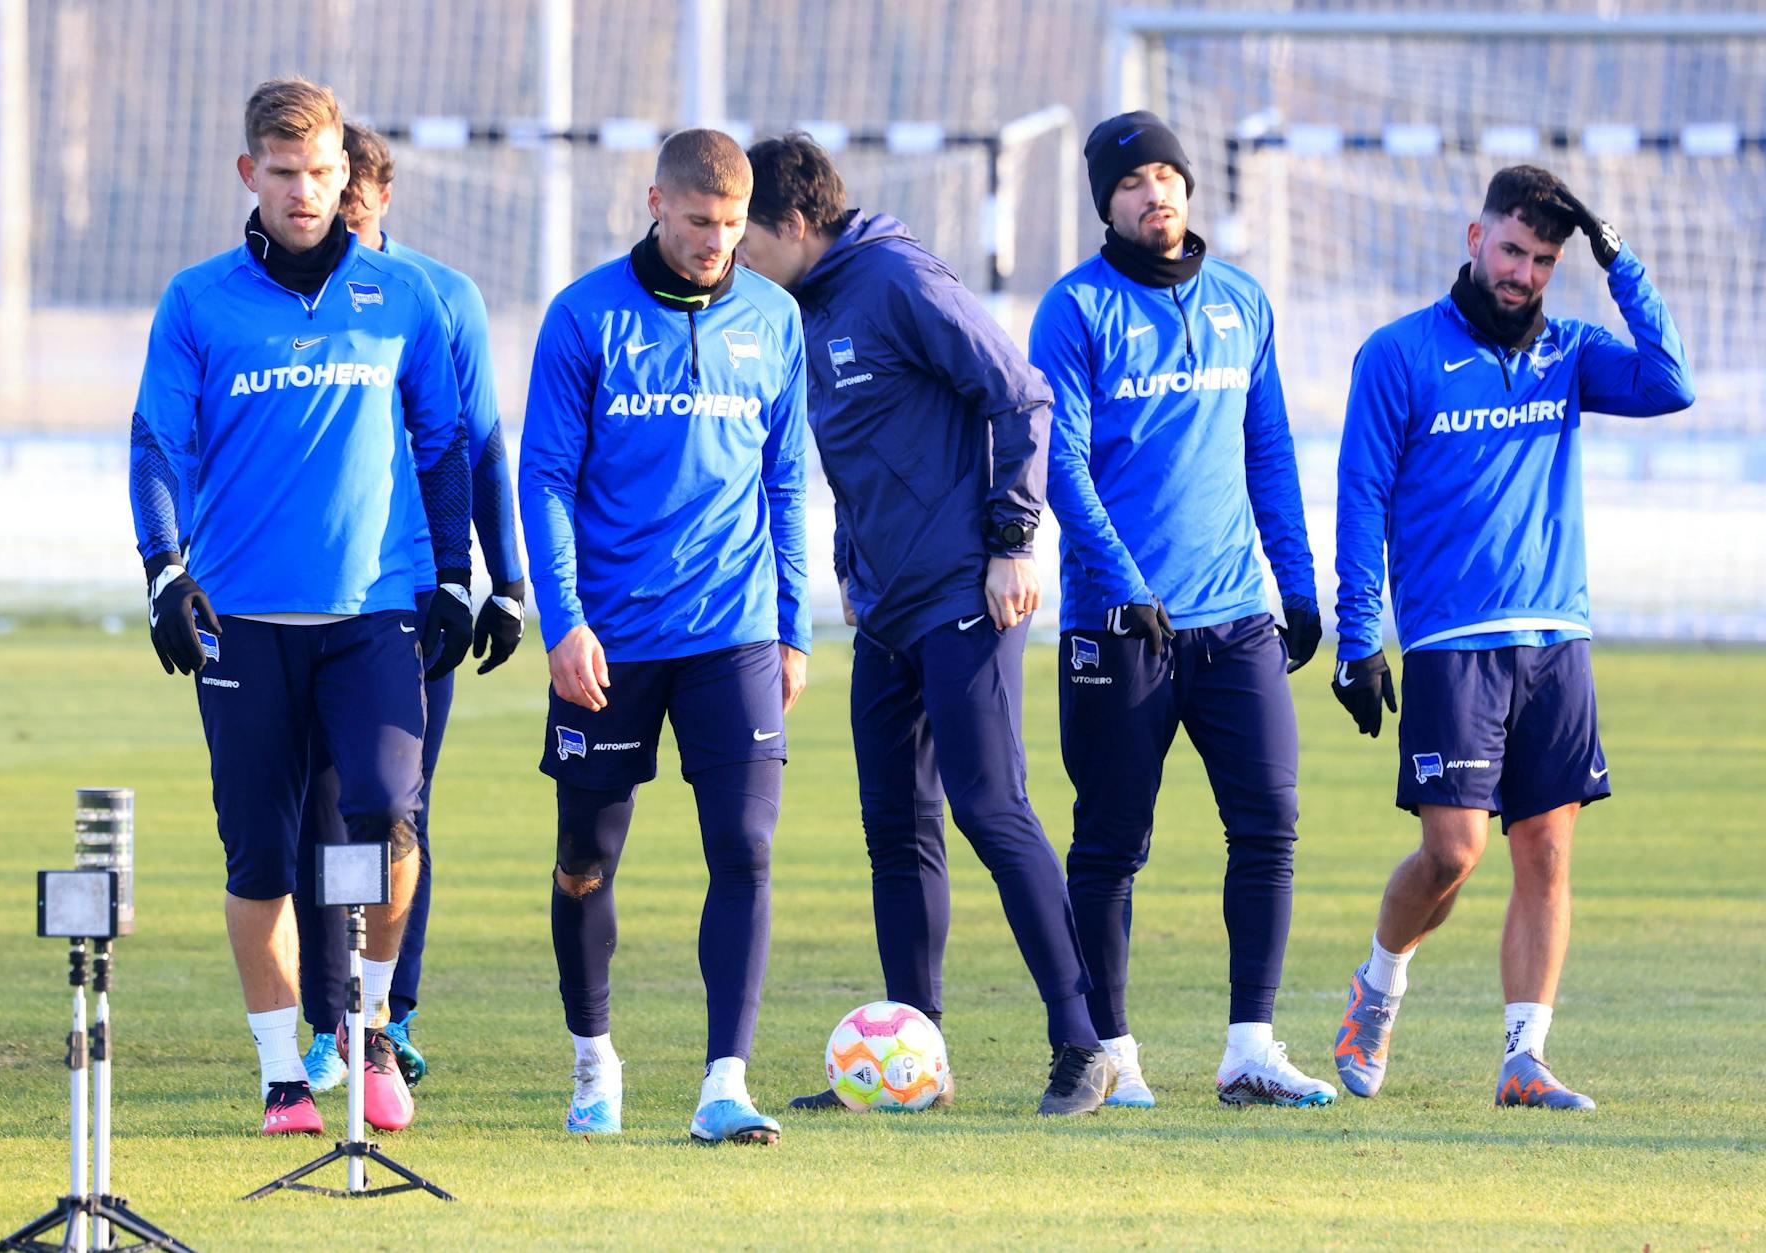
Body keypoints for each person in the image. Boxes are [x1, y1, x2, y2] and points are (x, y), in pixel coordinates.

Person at [739, 133, 1114, 1117]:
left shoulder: (899, 279)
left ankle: (1084, 1041)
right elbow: (854, 459)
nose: (736, 255)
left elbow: (1019, 391)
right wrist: (849, 570)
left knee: (990, 808)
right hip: (884, 610)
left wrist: (1012, 539)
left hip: (963, 595)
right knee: (894, 828)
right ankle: (916, 1059)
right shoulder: (806, 307)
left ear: (792, 223)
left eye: (746, 237)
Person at [127, 77, 470, 1136]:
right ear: (250, 173)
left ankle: (370, 1028)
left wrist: (457, 575)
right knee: (261, 857)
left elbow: (445, 444)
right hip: (243, 621)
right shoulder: (197, 300)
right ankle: (283, 1074)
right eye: (284, 173)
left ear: (344, 171)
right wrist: (164, 570)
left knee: (389, 815)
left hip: (373, 615)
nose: (305, 191)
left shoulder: (402, 296)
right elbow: (157, 444)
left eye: (322, 171)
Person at [1330, 166, 1693, 1110]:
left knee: (1546, 853)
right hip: (1452, 644)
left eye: (1543, 260)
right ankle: (1378, 984)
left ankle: (1523, 1059)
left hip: (1558, 637)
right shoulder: (1398, 354)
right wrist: (1359, 637)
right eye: (1511, 250)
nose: (1523, 273)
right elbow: (1361, 496)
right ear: (1474, 237)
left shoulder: (1571, 352)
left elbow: (1671, 382)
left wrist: (1617, 258)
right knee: (1454, 852)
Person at [1029, 110, 1333, 1108]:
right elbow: (1062, 467)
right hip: (1118, 626)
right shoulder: (1074, 309)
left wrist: (1296, 581)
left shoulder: (1242, 301)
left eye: (1165, 173)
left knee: (1270, 823)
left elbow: (1268, 451)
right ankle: (1113, 1049)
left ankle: (1250, 1047)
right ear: (1105, 206)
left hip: (1236, 618)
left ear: (1189, 186)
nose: (1152, 192)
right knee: (1111, 842)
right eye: (1130, 182)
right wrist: (1125, 584)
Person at [518, 128, 810, 1145]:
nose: (715, 242)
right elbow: (544, 479)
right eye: (697, 221)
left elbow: (785, 479)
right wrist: (564, 622)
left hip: (734, 627)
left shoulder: (774, 318)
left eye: (731, 225)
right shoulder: (583, 316)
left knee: (745, 847)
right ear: (654, 203)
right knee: (585, 858)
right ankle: (593, 1058)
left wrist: (793, 623)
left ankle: (725, 1082)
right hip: (610, 639)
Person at [291, 120, 527, 1095]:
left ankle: (390, 1013)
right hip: (306, 598)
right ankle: (326, 1020)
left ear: (380, 198)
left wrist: (503, 579)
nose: (334, 218)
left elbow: (479, 444)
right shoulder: (283, 296)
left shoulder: (438, 296)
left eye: (351, 203)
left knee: (397, 806)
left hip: (421, 594)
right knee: (318, 811)